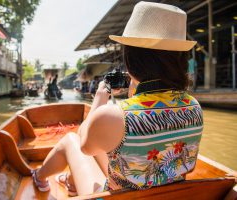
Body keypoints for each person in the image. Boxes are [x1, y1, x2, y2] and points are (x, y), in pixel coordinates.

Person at [32, 1, 203, 196]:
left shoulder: (115, 116)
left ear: (132, 58)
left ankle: (39, 177)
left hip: (120, 195)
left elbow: (84, 145)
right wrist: (137, 95)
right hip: (167, 195)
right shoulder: (194, 107)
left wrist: (100, 96)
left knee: (71, 141)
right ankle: (71, 182)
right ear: (180, 59)